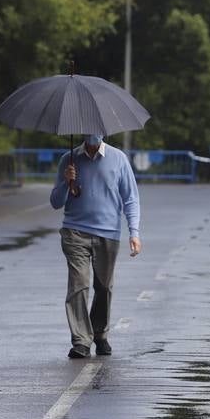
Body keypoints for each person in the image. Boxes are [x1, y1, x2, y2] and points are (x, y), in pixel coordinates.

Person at [50, 133, 142, 359]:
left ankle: (99, 333)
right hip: (74, 231)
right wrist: (65, 180)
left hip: (108, 233)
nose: (93, 133)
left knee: (104, 287)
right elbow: (55, 201)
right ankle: (81, 340)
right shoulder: (68, 159)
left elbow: (130, 198)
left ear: (104, 132)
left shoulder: (118, 159)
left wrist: (134, 232)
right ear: (81, 131)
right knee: (78, 284)